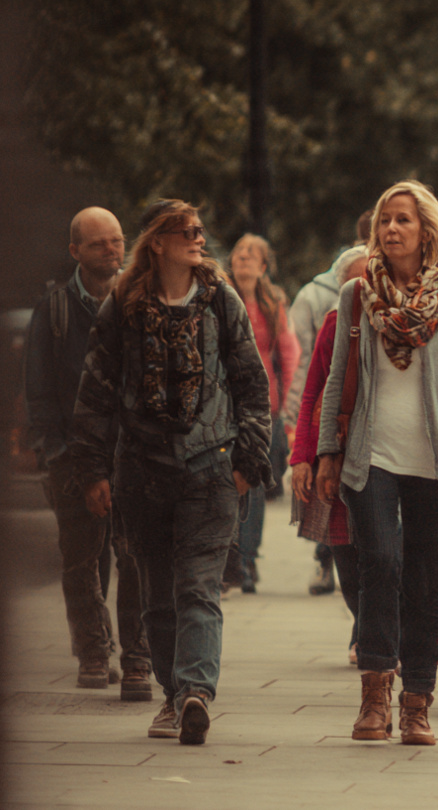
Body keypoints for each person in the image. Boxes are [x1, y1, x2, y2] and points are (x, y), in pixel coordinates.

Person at [68, 199, 275, 745]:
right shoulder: (124, 304)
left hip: (212, 469)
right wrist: (93, 470)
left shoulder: (219, 299)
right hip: (143, 473)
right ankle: (171, 696)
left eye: (201, 229)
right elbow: (96, 393)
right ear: (157, 242)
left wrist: (248, 463)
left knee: (200, 590)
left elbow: (252, 382)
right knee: (159, 595)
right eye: (187, 230)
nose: (199, 238)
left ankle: (196, 694)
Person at [315, 181, 438, 746]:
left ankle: (416, 704)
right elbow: (337, 379)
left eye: (402, 220)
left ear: (424, 230)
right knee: (379, 567)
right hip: (372, 459)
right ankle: (373, 698)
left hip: (434, 462)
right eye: (384, 220)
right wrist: (326, 453)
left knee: (422, 580)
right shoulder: (356, 297)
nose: (390, 230)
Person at [24, 207, 152, 699]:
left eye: (118, 241)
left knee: (134, 558)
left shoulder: (136, 302)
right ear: (75, 250)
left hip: (130, 456)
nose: (112, 251)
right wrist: (56, 452)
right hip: (72, 457)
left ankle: (138, 657)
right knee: (81, 559)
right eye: (99, 243)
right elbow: (37, 392)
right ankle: (94, 651)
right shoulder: (54, 310)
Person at [286, 212, 374, 596]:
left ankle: (372, 633)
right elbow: (314, 391)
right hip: (338, 449)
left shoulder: (399, 321)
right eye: (356, 280)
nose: (365, 286)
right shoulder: (335, 322)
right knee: (347, 555)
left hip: (381, 452)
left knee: (381, 552)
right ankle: (362, 628)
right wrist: (303, 456)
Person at [223, 234, 299, 594]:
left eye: (252, 255)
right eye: (239, 253)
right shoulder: (219, 294)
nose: (244, 259)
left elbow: (288, 352)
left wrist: (286, 406)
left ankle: (247, 559)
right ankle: (228, 556)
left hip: (262, 406)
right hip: (223, 405)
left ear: (264, 266)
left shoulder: (272, 303)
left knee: (251, 483)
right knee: (225, 482)